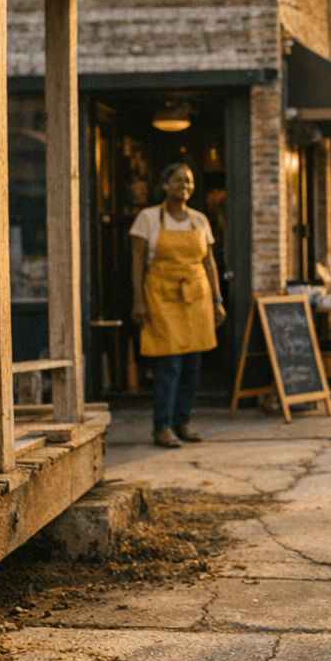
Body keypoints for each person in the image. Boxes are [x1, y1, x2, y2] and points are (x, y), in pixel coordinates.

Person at [130, 162, 226, 448]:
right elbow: (137, 263)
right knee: (169, 363)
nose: (184, 185)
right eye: (177, 180)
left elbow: (209, 263)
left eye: (189, 180)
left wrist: (217, 300)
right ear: (164, 185)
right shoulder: (147, 218)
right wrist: (138, 301)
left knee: (193, 365)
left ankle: (182, 421)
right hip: (162, 297)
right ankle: (162, 426)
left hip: (196, 298)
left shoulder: (200, 220)